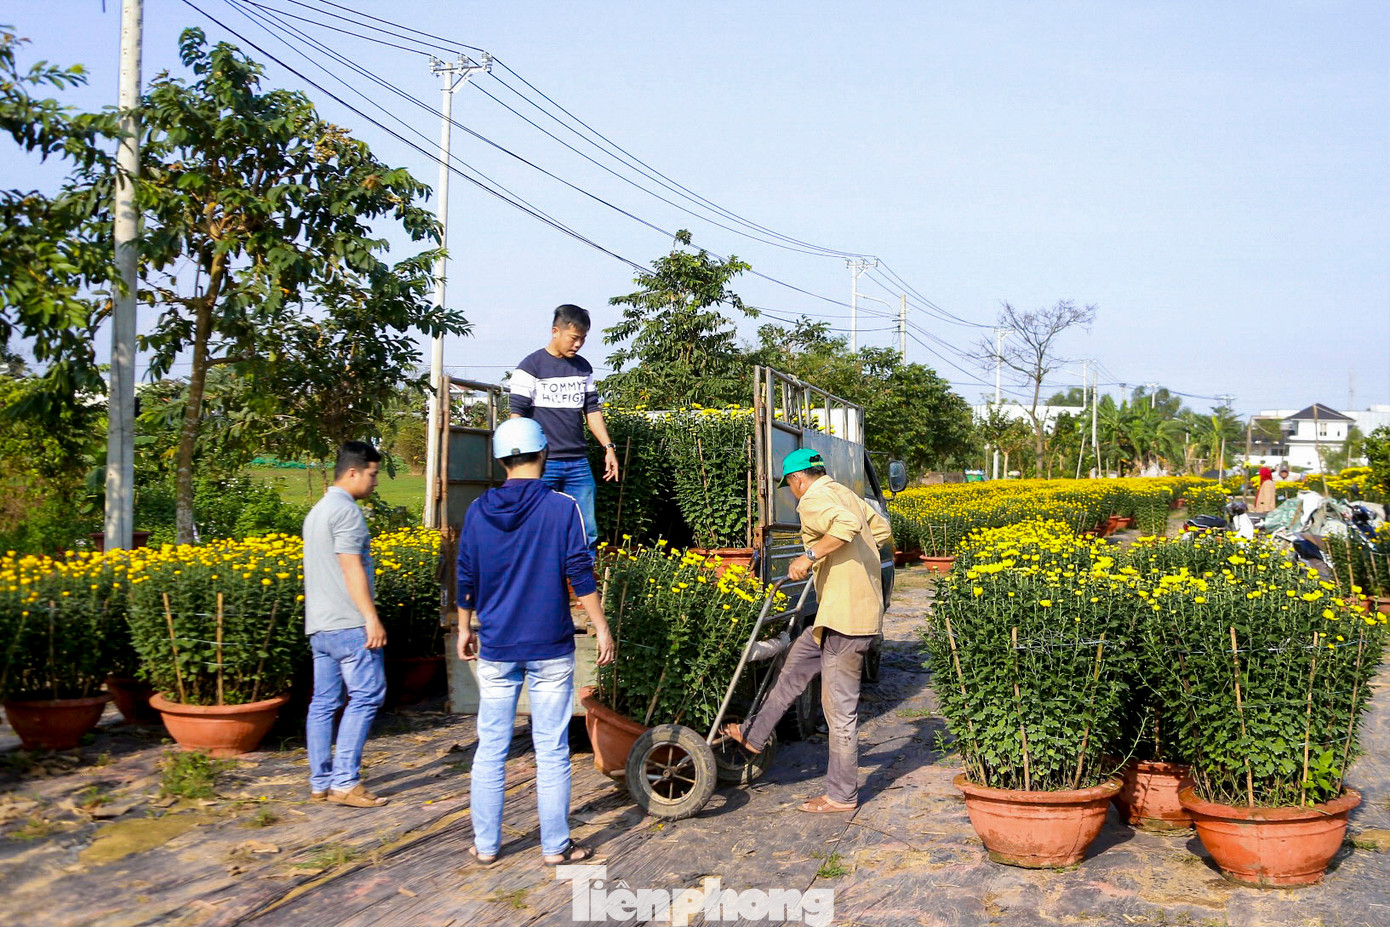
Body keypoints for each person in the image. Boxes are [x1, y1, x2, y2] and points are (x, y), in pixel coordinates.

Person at [456, 417, 616, 866]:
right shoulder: (562, 507)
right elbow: (580, 573)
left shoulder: (477, 510)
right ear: (544, 454)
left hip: (497, 645)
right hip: (549, 644)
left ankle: (487, 846)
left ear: (502, 459)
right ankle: (555, 847)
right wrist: (601, 626)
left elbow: (465, 572)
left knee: (491, 747)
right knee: (551, 749)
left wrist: (466, 626)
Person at [721, 448, 893, 814]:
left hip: (847, 622)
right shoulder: (844, 492)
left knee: (839, 710)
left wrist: (811, 556)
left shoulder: (813, 499)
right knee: (793, 668)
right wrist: (850, 565)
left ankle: (842, 795)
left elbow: (845, 528)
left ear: (798, 479)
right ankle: (753, 735)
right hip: (836, 614)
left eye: (790, 485)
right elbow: (880, 529)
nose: (792, 492)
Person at [302, 441, 389, 808]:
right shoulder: (347, 513)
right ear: (353, 472)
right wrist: (371, 618)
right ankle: (345, 782)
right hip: (349, 625)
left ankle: (320, 781)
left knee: (323, 702)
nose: (374, 482)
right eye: (371, 474)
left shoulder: (317, 512)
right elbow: (351, 567)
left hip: (319, 625)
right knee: (367, 695)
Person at [509, 304, 619, 554]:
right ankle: (538, 583)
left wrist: (608, 448)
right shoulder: (530, 367)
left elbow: (592, 411)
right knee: (535, 525)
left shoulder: (583, 368)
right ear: (555, 331)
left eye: (583, 338)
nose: (578, 344)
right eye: (574, 337)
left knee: (585, 528)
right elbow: (517, 415)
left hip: (577, 464)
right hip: (542, 463)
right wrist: (519, 461)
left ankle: (584, 587)